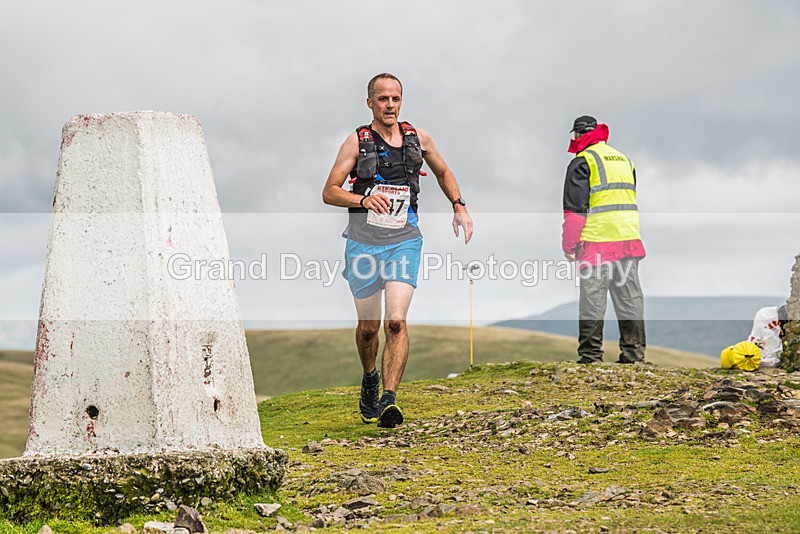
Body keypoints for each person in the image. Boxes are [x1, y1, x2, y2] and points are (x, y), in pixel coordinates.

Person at [322, 73, 473, 427]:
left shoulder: (419, 138)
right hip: (363, 243)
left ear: (401, 101)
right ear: (370, 102)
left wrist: (458, 205)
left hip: (404, 240)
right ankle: (370, 378)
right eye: (383, 99)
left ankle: (389, 400)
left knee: (395, 322)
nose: (390, 105)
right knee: (368, 328)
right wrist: (362, 200)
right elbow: (329, 191)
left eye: (395, 98)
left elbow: (444, 171)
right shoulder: (356, 142)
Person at [561, 115, 646, 364]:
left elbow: (574, 212)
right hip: (628, 238)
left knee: (593, 301)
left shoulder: (583, 161)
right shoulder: (625, 160)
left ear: (576, 135)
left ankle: (590, 356)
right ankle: (634, 356)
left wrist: (569, 246)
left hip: (597, 240)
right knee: (629, 299)